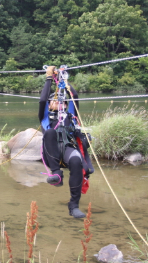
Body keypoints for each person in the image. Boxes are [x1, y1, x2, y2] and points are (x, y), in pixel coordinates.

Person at [38, 66, 94, 218]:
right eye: (53, 100)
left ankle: (73, 205)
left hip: (68, 148)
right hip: (53, 154)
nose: (57, 102)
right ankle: (57, 174)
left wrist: (63, 79)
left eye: (60, 101)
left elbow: (74, 95)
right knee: (50, 132)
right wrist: (49, 78)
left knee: (76, 161)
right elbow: (43, 99)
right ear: (49, 104)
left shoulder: (70, 114)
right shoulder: (45, 118)